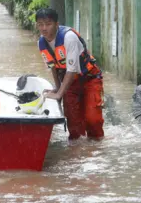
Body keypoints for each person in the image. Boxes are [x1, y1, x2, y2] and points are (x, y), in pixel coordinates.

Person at [36, 8, 104, 141]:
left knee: (93, 120)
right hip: (70, 84)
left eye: (48, 24)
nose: (44, 28)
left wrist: (59, 94)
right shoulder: (41, 43)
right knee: (73, 127)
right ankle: (76, 155)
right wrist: (57, 88)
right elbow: (53, 67)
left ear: (57, 24)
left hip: (89, 79)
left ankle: (97, 148)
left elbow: (72, 70)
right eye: (40, 24)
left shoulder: (69, 38)